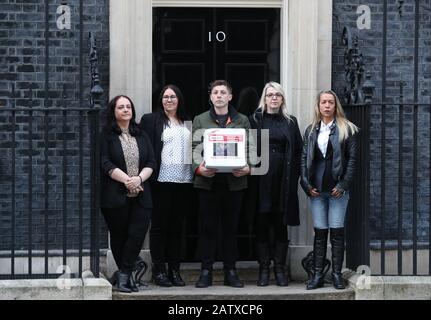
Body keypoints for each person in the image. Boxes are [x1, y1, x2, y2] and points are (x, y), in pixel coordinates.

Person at [192, 80, 254, 288]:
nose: (219, 96)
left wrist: (249, 167)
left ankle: (231, 271)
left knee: (231, 228)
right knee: (207, 228)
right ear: (210, 97)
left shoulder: (242, 120)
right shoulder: (200, 119)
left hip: (234, 182)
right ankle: (206, 271)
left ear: (230, 96)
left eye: (223, 92)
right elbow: (194, 148)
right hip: (207, 182)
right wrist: (199, 168)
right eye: (215, 93)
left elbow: (250, 148)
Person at [300, 90, 358, 290]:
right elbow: (304, 159)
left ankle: (336, 275)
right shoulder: (311, 130)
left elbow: (352, 161)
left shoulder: (346, 129)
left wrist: (343, 185)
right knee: (320, 233)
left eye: (330, 102)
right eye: (323, 102)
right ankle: (317, 275)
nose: (327, 105)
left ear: (335, 105)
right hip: (316, 190)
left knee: (337, 232)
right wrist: (306, 184)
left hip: (337, 191)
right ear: (318, 105)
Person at [100, 95, 156, 293]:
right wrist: (127, 180)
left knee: (136, 235)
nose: (126, 110)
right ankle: (126, 276)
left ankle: (123, 275)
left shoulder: (141, 134)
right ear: (113, 111)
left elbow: (151, 161)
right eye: (121, 107)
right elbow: (105, 163)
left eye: (128, 107)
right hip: (115, 195)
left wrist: (138, 180)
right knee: (119, 235)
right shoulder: (106, 135)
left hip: (142, 193)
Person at [248, 82, 302, 287]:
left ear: (282, 99)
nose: (274, 98)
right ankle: (263, 268)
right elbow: (248, 147)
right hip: (260, 179)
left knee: (280, 223)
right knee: (261, 222)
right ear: (265, 97)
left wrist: (295, 174)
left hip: (284, 179)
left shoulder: (290, 122)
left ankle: (279, 268)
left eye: (277, 95)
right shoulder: (255, 119)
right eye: (270, 95)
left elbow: (298, 151)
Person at [140, 84, 193, 287]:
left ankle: (175, 270)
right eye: (165, 97)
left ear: (179, 99)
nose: (169, 100)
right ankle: (159, 270)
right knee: (160, 227)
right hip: (160, 181)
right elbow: (144, 149)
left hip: (184, 180)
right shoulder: (151, 120)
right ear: (160, 100)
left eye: (172, 97)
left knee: (177, 228)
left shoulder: (187, 122)